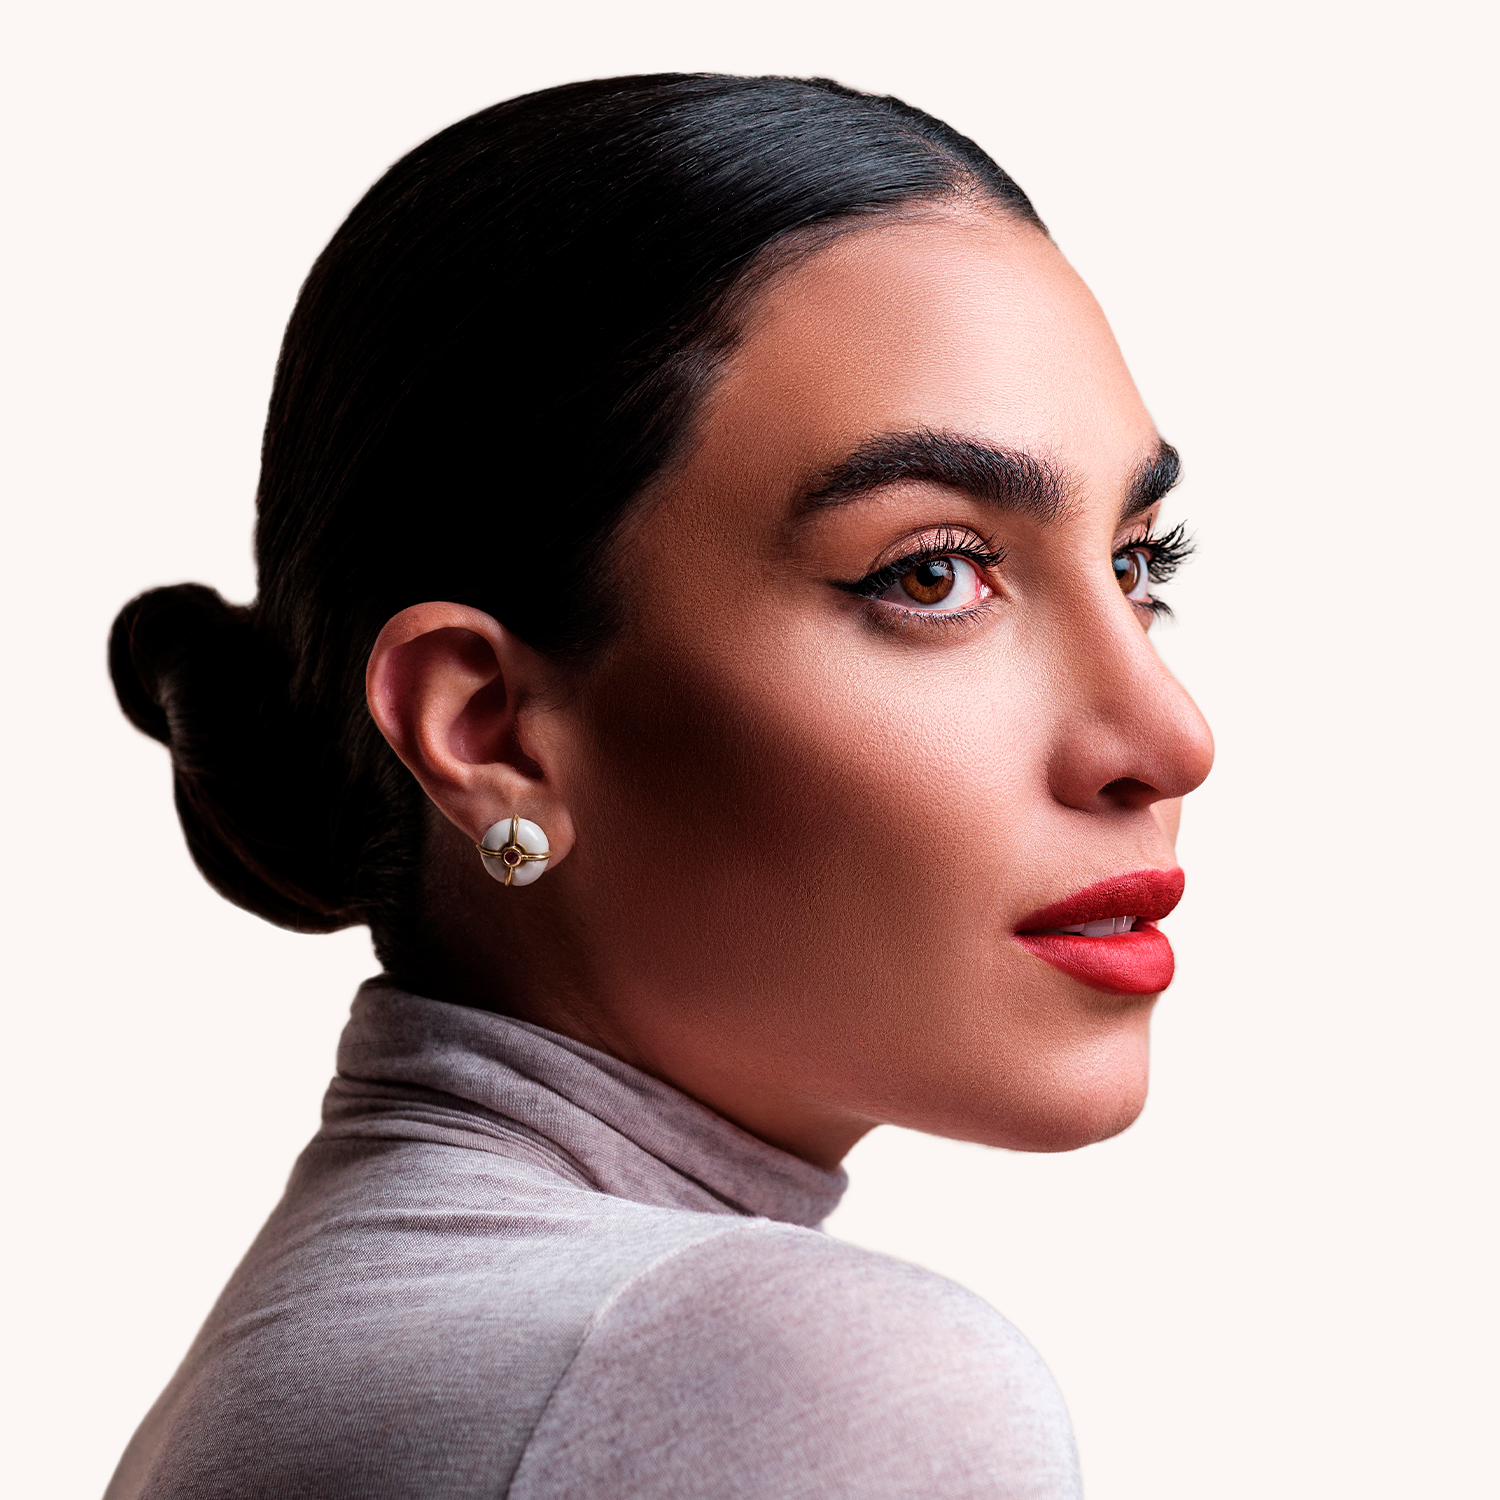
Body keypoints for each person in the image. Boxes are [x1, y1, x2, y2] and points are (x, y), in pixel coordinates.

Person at [104, 73, 1214, 1499]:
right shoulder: (799, 1381)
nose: (1168, 738)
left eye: (1135, 565)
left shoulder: (316, 1357)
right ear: (490, 732)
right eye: (931, 576)